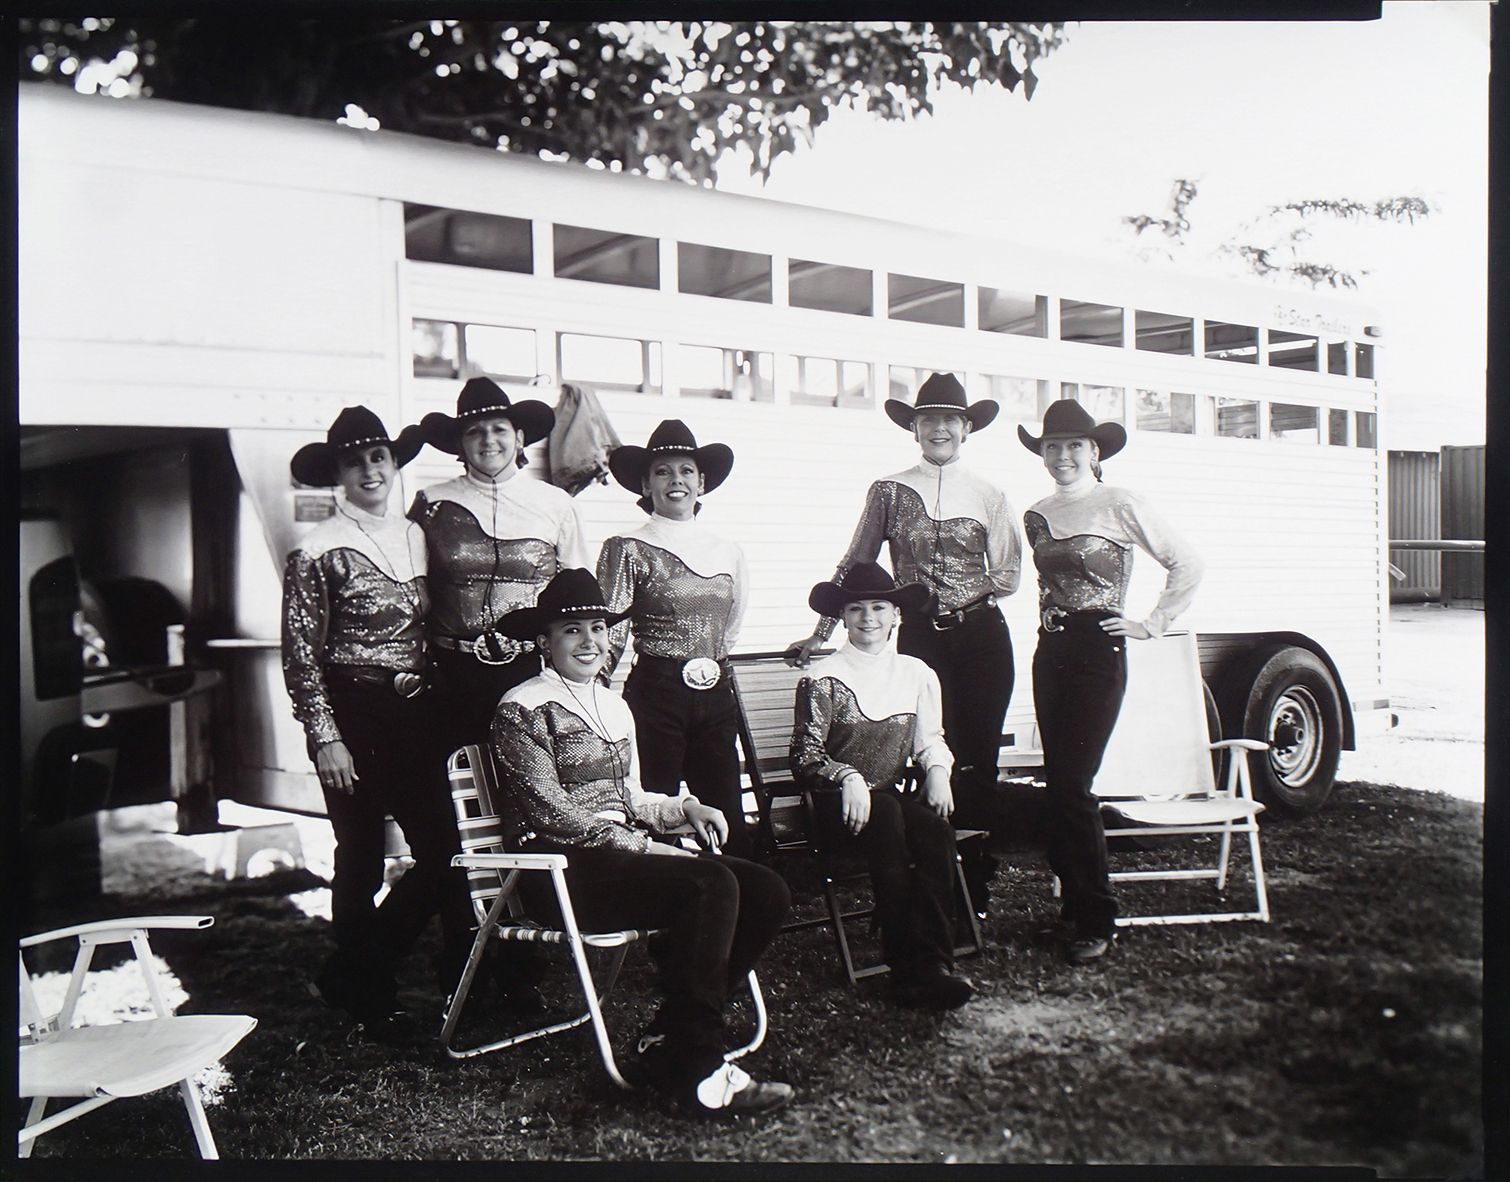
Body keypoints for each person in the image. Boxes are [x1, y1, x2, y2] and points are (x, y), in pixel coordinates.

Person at [489, 568, 794, 1117]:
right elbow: (550, 811)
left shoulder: (613, 704)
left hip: (616, 859)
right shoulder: (521, 707)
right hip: (556, 869)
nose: (589, 642)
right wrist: (639, 846)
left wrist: (683, 808)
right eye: (571, 630)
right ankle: (699, 1070)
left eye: (599, 628)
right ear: (543, 641)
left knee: (767, 889)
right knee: (710, 882)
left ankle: (670, 1037)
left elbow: (629, 795)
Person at [785, 371, 1021, 916]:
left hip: (982, 637)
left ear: (967, 429)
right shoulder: (889, 489)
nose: (939, 428)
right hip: (918, 638)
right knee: (919, 753)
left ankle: (972, 887)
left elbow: (1007, 573)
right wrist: (821, 632)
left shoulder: (990, 493)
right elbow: (858, 563)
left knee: (974, 761)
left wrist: (957, 592)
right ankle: (919, 875)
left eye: (950, 419)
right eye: (928, 419)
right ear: (914, 428)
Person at [281, 406, 475, 1034]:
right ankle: (371, 999)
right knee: (360, 856)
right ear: (337, 473)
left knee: (446, 850)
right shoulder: (315, 550)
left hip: (419, 711)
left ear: (394, 465)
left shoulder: (417, 534)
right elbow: (301, 658)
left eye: (378, 457)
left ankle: (360, 967)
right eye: (354, 460)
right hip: (354, 711)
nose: (369, 469)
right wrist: (325, 738)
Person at [1019, 399, 1204, 964]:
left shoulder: (1120, 503)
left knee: (1074, 787)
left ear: (1095, 453)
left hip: (1099, 650)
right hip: (1051, 652)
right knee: (1060, 785)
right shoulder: (1036, 512)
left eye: (1075, 445)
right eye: (1053, 446)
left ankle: (1096, 918)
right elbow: (1049, 584)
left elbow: (1186, 562)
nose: (1063, 455)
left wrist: (1151, 624)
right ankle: (1075, 912)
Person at [790, 562, 975, 1010]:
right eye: (856, 608)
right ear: (844, 618)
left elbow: (930, 739)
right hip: (837, 808)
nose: (867, 617)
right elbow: (805, 756)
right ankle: (905, 970)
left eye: (879, 607)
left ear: (896, 616)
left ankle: (934, 964)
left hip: (888, 799)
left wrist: (937, 771)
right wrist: (847, 776)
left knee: (933, 828)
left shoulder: (916, 672)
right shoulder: (822, 676)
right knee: (889, 814)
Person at [596, 419, 753, 857]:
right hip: (658, 693)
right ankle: (660, 906)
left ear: (702, 482)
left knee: (726, 807)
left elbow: (733, 621)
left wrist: (711, 665)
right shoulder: (627, 546)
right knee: (654, 801)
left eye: (686, 470)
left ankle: (737, 899)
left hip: (715, 692)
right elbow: (610, 628)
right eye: (663, 471)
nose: (676, 481)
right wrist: (594, 697)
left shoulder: (727, 549)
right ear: (646, 484)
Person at [410, 376, 589, 750]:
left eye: (499, 429)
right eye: (475, 431)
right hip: (451, 673)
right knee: (460, 787)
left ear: (519, 438)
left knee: (531, 781)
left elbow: (579, 593)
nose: (488, 440)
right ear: (461, 443)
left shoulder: (556, 503)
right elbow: (413, 590)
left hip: (532, 673)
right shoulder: (432, 502)